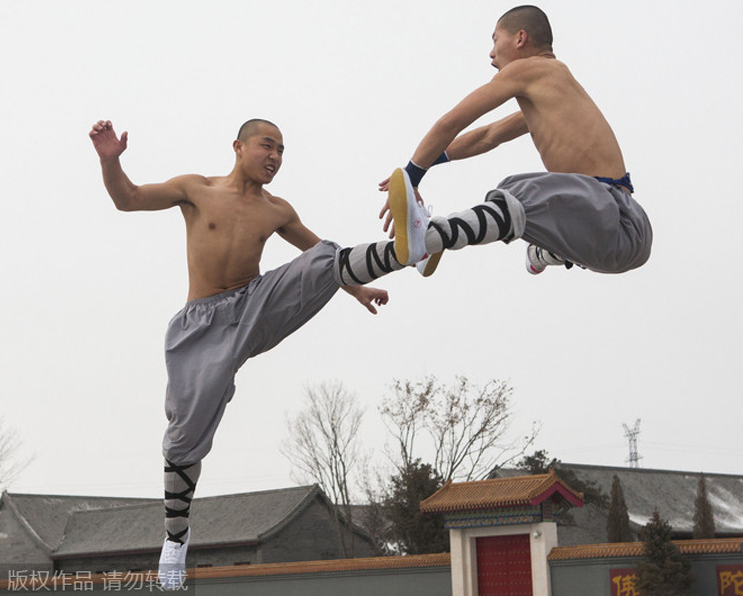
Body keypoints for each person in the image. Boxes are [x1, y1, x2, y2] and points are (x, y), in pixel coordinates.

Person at [89, 118, 403, 589]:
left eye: (282, 151)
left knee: (324, 257)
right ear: (238, 147)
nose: (275, 157)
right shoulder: (196, 189)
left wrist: (355, 290)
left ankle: (409, 246)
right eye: (267, 146)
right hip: (201, 325)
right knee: (184, 435)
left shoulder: (277, 210)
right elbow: (128, 199)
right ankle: (176, 536)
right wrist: (110, 161)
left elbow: (319, 252)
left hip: (253, 304)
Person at [380, 5, 651, 278]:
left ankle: (432, 237)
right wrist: (429, 161)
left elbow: (452, 122)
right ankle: (546, 251)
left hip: (612, 214)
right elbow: (488, 136)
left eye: (496, 39)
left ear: (520, 39)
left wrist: (412, 175)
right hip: (613, 233)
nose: (491, 52)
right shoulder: (551, 93)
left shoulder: (531, 69)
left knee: (517, 191)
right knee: (539, 201)